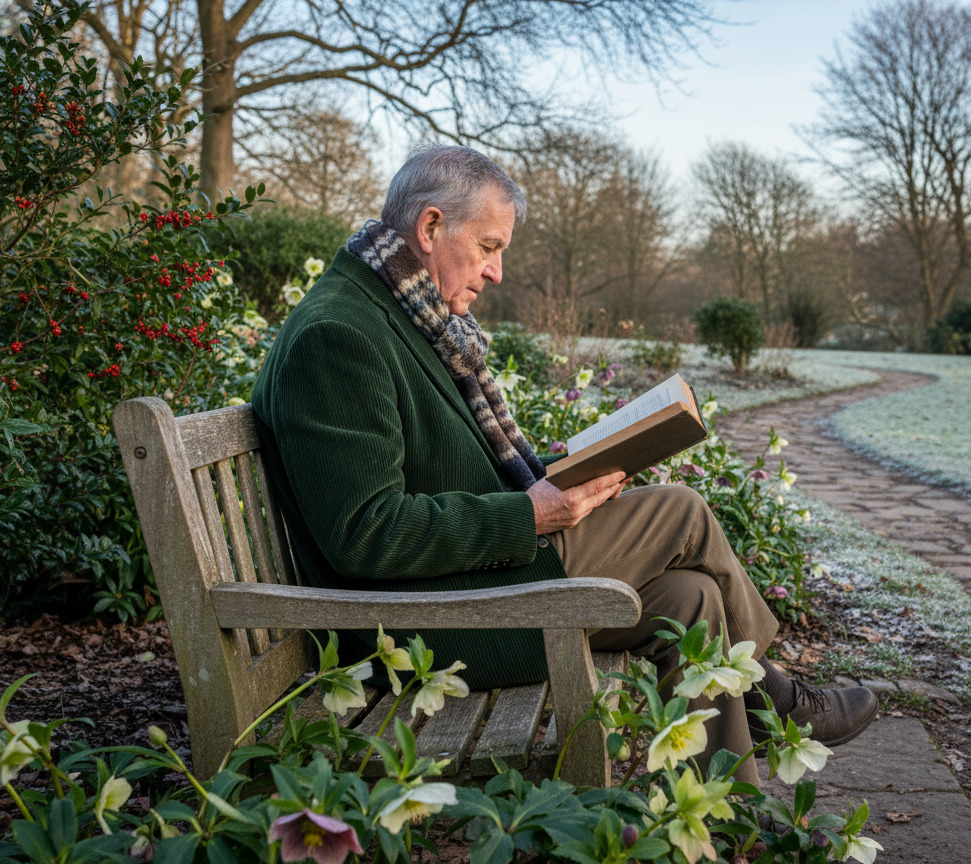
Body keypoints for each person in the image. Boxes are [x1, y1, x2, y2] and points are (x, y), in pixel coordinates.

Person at [250, 145, 876, 785]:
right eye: (489, 247)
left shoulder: (404, 314)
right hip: (415, 624)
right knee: (681, 512)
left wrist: (582, 468)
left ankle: (723, 820)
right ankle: (783, 705)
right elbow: (365, 533)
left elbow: (449, 468)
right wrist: (532, 511)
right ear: (431, 227)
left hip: (456, 589)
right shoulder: (340, 334)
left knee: (691, 600)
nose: (496, 273)